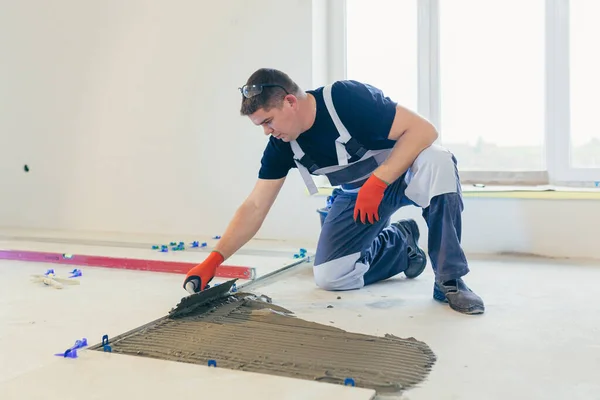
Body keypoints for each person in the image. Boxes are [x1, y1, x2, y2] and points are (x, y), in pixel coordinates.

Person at [183, 68, 484, 315]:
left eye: (268, 121)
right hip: (357, 196)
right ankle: (401, 245)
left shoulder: (345, 99)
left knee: (438, 159)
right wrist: (215, 259)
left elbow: (424, 130)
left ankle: (449, 280)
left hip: (406, 175)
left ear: (290, 101)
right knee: (331, 276)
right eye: (260, 125)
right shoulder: (282, 145)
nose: (266, 131)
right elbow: (255, 206)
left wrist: (378, 181)